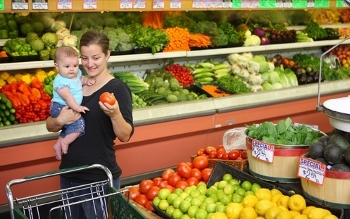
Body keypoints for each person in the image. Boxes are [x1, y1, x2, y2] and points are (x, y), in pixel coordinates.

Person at [46, 30, 134, 219]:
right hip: (69, 174)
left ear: (107, 55)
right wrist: (60, 120)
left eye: (96, 58)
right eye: (84, 58)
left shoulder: (117, 89)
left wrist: (115, 113)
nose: (89, 64)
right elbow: (50, 125)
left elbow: (125, 135)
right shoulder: (72, 82)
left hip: (98, 178)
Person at [51, 46, 96, 160]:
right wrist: (77, 107)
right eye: (67, 66)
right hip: (60, 107)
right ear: (57, 67)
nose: (72, 69)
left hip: (68, 106)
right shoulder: (60, 81)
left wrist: (87, 81)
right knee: (79, 124)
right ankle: (65, 142)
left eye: (75, 66)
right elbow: (67, 97)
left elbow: (80, 80)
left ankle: (58, 145)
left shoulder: (75, 75)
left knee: (67, 128)